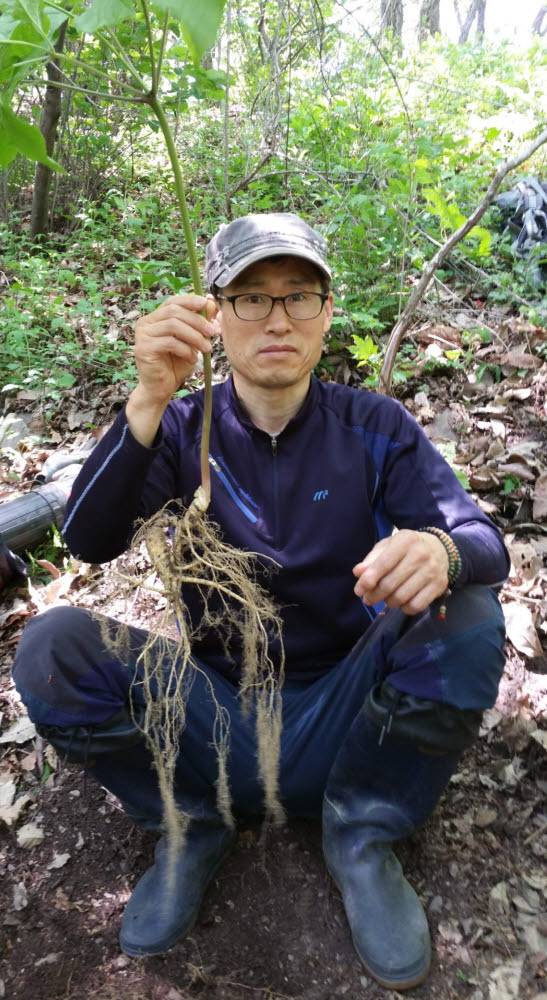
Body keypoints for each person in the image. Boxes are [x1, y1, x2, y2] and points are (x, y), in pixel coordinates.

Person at [12, 212, 509, 991]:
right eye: (249, 298)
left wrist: (440, 551)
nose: (277, 318)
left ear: (326, 313)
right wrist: (145, 401)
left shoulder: (373, 428)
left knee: (469, 614)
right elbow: (87, 540)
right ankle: (187, 825)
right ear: (213, 313)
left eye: (298, 295)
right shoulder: (182, 429)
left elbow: (482, 540)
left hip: (348, 707)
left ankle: (362, 832)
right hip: (215, 714)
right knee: (51, 648)